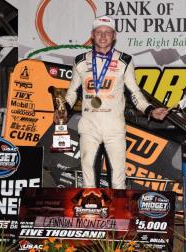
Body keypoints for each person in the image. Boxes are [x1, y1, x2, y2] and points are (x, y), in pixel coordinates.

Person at [54, 15, 168, 189]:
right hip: (89, 127)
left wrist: (150, 110)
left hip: (114, 127)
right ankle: (90, 214)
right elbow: (72, 92)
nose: (103, 36)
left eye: (107, 32)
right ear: (92, 35)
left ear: (114, 36)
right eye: (99, 32)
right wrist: (63, 108)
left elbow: (134, 92)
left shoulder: (124, 60)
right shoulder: (80, 61)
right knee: (89, 180)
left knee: (117, 181)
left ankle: (119, 214)